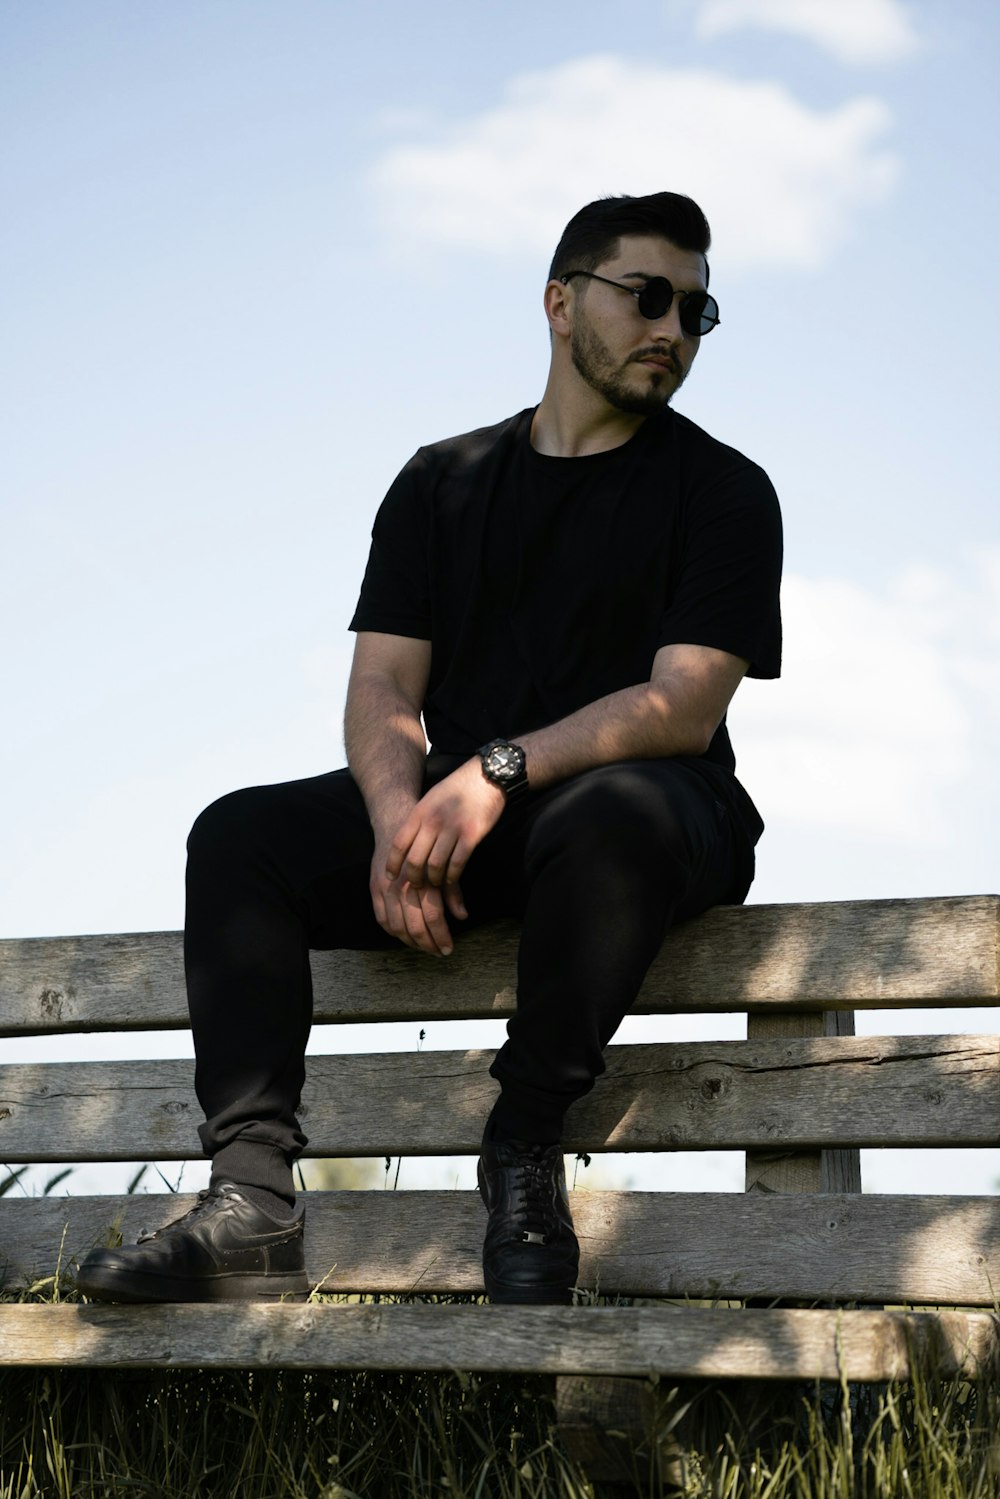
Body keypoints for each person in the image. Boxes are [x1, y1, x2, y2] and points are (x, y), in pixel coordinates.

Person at [77, 190, 782, 1307]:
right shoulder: (441, 480)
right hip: (474, 824)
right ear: (560, 302)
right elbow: (384, 683)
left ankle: (521, 1146)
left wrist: (488, 772)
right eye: (647, 296)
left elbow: (680, 704)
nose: (672, 327)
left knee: (617, 809)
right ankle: (253, 1201)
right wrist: (397, 819)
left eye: (696, 310)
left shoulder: (725, 491)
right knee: (241, 834)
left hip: (653, 817)